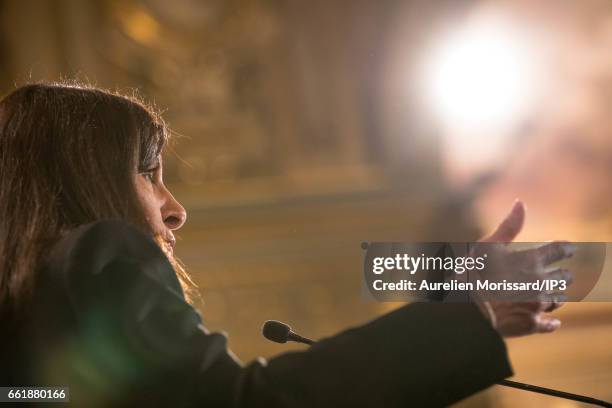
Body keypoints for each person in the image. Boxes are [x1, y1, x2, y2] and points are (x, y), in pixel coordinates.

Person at [0, 83, 573, 407]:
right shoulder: (98, 252)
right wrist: (471, 309)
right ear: (83, 176)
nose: (175, 208)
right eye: (148, 173)